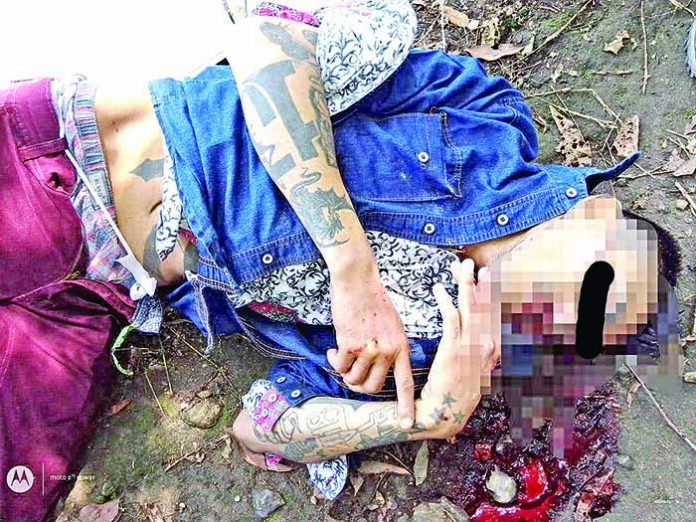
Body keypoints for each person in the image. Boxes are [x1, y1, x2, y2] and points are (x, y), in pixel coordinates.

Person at [0, 8, 675, 518]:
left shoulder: (441, 350)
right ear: (596, 214)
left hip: (99, 299)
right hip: (61, 169)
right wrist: (352, 269)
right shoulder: (485, 119)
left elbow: (261, 427)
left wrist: (425, 416)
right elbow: (269, 43)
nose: (551, 311)